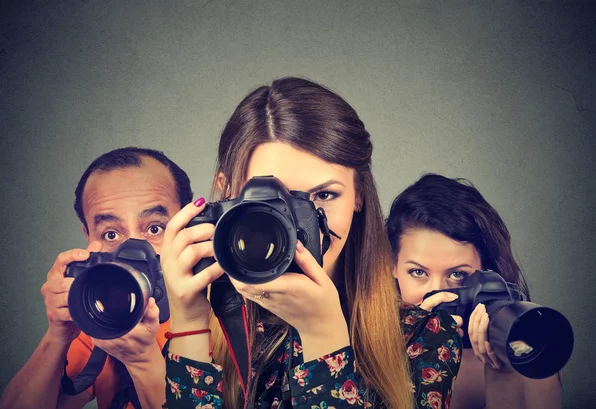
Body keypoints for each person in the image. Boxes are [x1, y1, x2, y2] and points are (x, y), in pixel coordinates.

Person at [160, 77, 462, 409]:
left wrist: (325, 335)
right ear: (228, 193)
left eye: (324, 195)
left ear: (358, 194)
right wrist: (188, 323)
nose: (296, 224)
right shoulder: (217, 321)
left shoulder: (424, 336)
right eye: (274, 200)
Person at [0, 147, 193, 409]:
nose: (134, 249)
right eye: (111, 234)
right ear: (88, 239)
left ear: (186, 223)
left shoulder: (229, 314)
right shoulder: (101, 314)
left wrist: (142, 361)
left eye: (154, 228)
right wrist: (57, 335)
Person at [385, 173, 562, 409]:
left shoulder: (529, 344)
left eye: (457, 275)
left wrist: (502, 374)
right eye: (418, 272)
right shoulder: (367, 344)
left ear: (485, 272)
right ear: (392, 266)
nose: (437, 294)